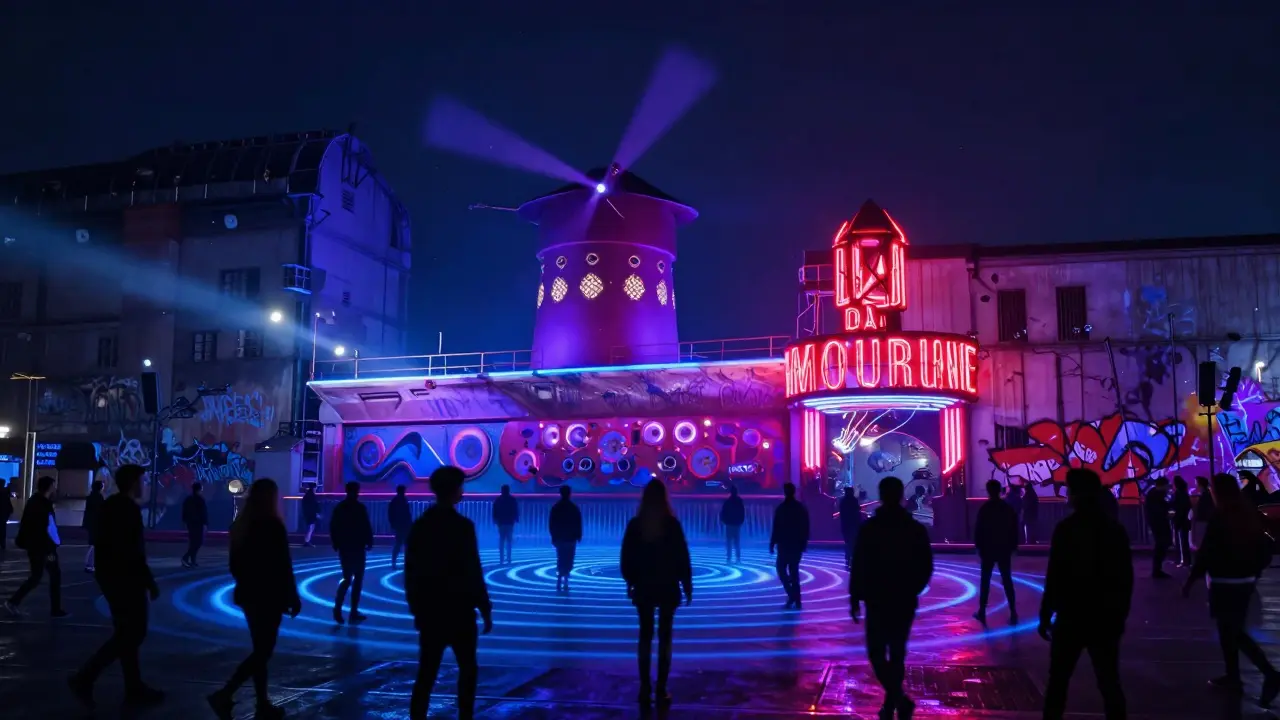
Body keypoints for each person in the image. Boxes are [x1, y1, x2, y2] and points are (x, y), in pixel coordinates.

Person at [1039, 468, 1132, 720]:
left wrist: (1046, 613)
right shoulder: (1114, 530)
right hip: (1104, 617)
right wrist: (1119, 616)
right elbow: (1125, 578)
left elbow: (1055, 574)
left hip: (1071, 616)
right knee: (1109, 681)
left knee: (1058, 681)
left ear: (1076, 494)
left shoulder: (1066, 529)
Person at [68, 464, 163, 709]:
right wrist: (148, 582)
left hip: (112, 576)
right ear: (133, 483)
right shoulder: (127, 509)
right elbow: (133, 551)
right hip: (126, 579)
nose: (145, 485)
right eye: (142, 480)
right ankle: (85, 676)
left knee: (126, 633)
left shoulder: (111, 506)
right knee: (133, 633)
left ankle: (133, 686)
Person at [1183, 473, 1280, 705]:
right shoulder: (1247, 514)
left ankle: (1270, 674)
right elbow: (1264, 548)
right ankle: (1234, 676)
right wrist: (1253, 573)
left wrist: (1190, 581)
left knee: (1232, 632)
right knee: (1231, 632)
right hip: (1244, 582)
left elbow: (1207, 553)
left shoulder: (1221, 516)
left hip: (1224, 583)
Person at [208, 479, 301, 720]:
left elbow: (235, 565)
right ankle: (227, 693)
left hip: (249, 595)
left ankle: (261, 703)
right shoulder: (273, 526)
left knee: (260, 649)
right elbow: (283, 565)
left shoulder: (242, 526)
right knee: (263, 651)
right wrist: (292, 595)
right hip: (270, 596)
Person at [405, 466, 493, 720]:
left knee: (427, 672)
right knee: (468, 669)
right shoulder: (462, 527)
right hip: (460, 611)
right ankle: (465, 715)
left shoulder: (421, 527)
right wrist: (484, 608)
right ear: (454, 490)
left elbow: (411, 570)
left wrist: (417, 608)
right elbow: (473, 570)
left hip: (431, 612)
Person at [850, 476, 933, 720]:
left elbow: (859, 564)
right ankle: (895, 701)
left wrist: (855, 597)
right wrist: (913, 588)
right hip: (904, 599)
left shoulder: (871, 529)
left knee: (876, 653)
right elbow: (926, 564)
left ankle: (896, 701)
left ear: (882, 495)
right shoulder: (914, 528)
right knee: (897, 653)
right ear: (900, 496)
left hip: (877, 599)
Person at [622, 479, 692, 709]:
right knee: (665, 637)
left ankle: (645, 687)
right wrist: (687, 584)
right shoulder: (671, 524)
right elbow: (682, 555)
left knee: (644, 636)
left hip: (644, 587)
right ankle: (661, 687)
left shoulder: (635, 525)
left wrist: (631, 581)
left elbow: (626, 558)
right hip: (668, 587)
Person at [4, 475, 66, 618]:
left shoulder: (35, 502)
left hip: (37, 547)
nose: (55, 489)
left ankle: (14, 602)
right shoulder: (43, 504)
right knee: (52, 575)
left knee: (37, 576)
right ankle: (55, 610)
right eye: (53, 486)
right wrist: (54, 544)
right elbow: (47, 528)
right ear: (49, 487)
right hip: (44, 548)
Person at [973, 479, 1019, 626]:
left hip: (988, 549)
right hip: (1003, 548)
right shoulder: (1006, 508)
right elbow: (1014, 528)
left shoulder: (985, 509)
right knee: (1007, 579)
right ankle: (1013, 611)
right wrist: (1013, 546)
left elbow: (979, 530)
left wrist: (979, 547)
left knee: (985, 580)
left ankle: (982, 611)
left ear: (988, 490)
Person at [329, 481, 373, 625]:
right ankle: (347, 610)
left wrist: (336, 543)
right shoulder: (359, 508)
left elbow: (333, 526)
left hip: (348, 548)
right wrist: (369, 540)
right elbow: (366, 525)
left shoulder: (340, 508)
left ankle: (342, 609)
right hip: (355, 548)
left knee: (350, 579)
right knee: (353, 580)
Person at [769, 482, 810, 609]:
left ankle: (792, 595)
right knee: (794, 571)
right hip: (795, 545)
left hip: (784, 545)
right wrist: (804, 542)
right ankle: (796, 599)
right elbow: (805, 526)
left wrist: (772, 542)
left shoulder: (781, 509)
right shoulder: (800, 508)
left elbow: (776, 527)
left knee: (782, 570)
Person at [548, 486, 583, 593]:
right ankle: (566, 581)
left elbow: (551, 524)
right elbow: (578, 522)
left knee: (561, 557)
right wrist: (579, 535)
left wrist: (553, 536)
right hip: (570, 538)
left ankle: (559, 579)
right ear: (569, 493)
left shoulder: (556, 507)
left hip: (560, 538)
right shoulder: (574, 507)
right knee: (569, 559)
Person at [1145, 476, 1173, 578]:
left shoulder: (1153, 494)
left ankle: (1157, 569)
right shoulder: (1156, 495)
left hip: (1157, 523)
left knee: (1161, 545)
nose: (1168, 488)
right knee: (1161, 545)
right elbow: (1159, 509)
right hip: (1159, 523)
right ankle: (1157, 570)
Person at [181, 482, 208, 568]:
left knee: (193, 542)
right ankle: (186, 558)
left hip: (191, 523)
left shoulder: (188, 499)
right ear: (199, 489)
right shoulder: (200, 499)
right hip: (198, 524)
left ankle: (192, 560)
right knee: (198, 542)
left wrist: (185, 521)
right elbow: (203, 513)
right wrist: (205, 523)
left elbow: (184, 512)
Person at [492, 484, 519, 565]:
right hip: (509, 523)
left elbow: (494, 511)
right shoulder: (512, 499)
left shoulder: (498, 500)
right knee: (509, 541)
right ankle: (509, 558)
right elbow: (515, 510)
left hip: (501, 523)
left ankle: (502, 559)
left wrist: (495, 520)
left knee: (502, 540)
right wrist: (515, 519)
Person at [839, 486, 863, 571]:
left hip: (845, 525)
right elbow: (857, 511)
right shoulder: (854, 500)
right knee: (853, 542)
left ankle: (848, 558)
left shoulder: (843, 501)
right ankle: (852, 558)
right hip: (853, 525)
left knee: (847, 542)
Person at [1171, 476, 1193, 567]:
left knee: (1181, 541)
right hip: (1184, 520)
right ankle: (1183, 560)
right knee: (1183, 541)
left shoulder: (1178, 494)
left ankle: (1183, 560)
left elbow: (1178, 507)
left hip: (1180, 520)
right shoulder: (1184, 493)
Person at [719, 485, 745, 564]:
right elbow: (742, 512)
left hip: (730, 524)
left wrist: (725, 521)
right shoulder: (738, 501)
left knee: (730, 542)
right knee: (736, 542)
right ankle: (737, 559)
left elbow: (723, 513)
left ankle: (729, 559)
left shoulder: (728, 502)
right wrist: (740, 521)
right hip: (735, 524)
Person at [388, 485, 412, 570]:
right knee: (402, 544)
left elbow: (391, 514)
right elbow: (407, 514)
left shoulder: (395, 501)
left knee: (400, 544)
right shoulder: (401, 500)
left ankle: (395, 562)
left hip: (401, 526)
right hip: (402, 526)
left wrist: (393, 524)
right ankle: (399, 562)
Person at [83, 480, 105, 573]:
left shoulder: (90, 497)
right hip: (97, 523)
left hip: (91, 523)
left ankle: (91, 564)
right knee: (94, 544)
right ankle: (89, 564)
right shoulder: (99, 498)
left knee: (93, 543)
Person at [1192, 475, 1214, 549]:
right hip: (1204, 521)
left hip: (1203, 521)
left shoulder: (1205, 496)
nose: (1195, 485)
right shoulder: (1206, 495)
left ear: (1200, 484)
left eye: (1196, 483)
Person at [0, 479, 13, 561]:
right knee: (2, 529)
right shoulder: (5, 492)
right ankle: (2, 544)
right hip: (3, 514)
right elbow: (8, 504)